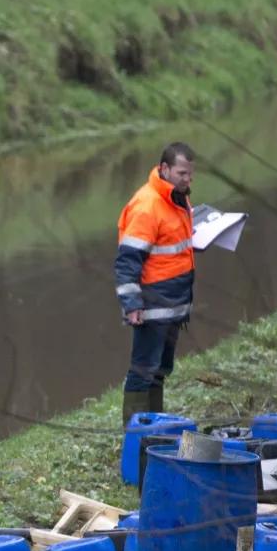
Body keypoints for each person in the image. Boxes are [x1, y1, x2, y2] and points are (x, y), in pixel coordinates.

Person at [114, 142, 195, 426]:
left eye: (190, 174)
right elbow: (127, 261)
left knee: (159, 370)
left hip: (173, 305)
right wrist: (132, 304)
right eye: (182, 173)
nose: (188, 179)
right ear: (164, 169)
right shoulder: (147, 206)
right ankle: (135, 434)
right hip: (152, 307)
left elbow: (170, 248)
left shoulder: (177, 199)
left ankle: (153, 425)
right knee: (143, 371)